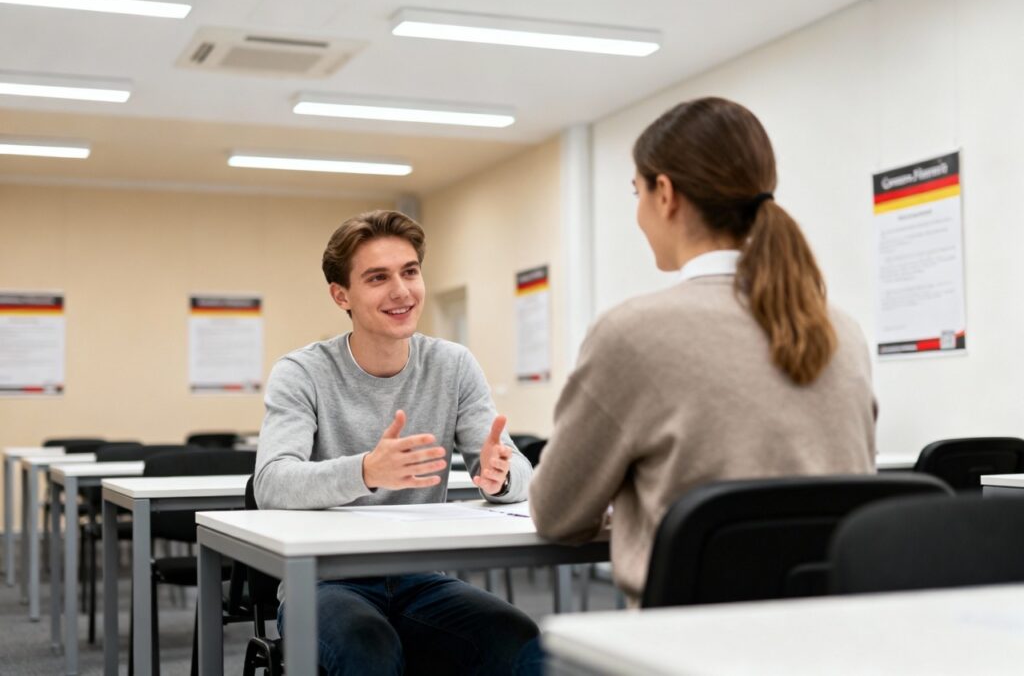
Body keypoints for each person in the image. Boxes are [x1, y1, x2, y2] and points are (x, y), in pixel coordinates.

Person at [529, 97, 876, 606]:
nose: (640, 213)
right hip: (828, 640)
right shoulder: (842, 331)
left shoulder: (631, 333)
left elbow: (558, 513)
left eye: (637, 192)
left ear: (665, 193)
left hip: (685, 645)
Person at [255, 209, 538, 676]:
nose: (401, 290)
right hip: (324, 580)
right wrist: (365, 471)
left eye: (410, 272)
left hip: (420, 576)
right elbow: (271, 483)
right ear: (340, 294)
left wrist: (503, 475)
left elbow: (516, 471)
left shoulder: (453, 365)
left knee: (519, 640)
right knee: (368, 650)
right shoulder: (302, 372)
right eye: (378, 277)